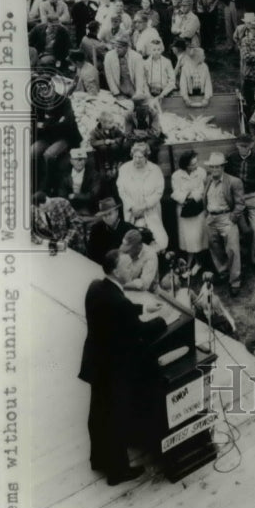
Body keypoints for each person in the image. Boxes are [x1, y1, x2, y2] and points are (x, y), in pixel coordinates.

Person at [77, 249, 168, 485]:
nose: (132, 269)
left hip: (96, 363)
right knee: (116, 417)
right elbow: (140, 330)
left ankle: (98, 459)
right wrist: (163, 319)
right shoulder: (119, 303)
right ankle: (117, 472)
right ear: (117, 271)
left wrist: (142, 309)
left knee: (97, 414)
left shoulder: (96, 287)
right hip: (114, 369)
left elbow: (117, 310)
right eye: (128, 266)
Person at [203, 152, 245, 297]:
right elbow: (205, 199)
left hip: (226, 217)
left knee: (232, 249)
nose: (214, 170)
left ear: (223, 167)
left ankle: (235, 281)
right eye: (212, 167)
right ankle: (223, 272)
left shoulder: (234, 181)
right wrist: (207, 215)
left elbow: (240, 203)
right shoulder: (207, 180)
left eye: (217, 167)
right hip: (211, 219)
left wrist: (232, 218)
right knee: (214, 247)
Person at [226, 133, 255, 269]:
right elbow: (226, 179)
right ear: (236, 145)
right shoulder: (231, 158)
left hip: (253, 197)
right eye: (240, 146)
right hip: (236, 199)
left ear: (251, 145)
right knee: (235, 230)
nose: (243, 149)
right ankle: (240, 259)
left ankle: (254, 259)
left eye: (246, 146)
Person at [116, 142, 168, 251]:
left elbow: (159, 191)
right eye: (135, 156)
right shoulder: (124, 169)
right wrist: (132, 207)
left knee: (158, 241)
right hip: (132, 211)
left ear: (146, 157)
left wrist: (144, 206)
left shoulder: (155, 170)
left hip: (151, 210)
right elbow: (121, 190)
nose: (137, 160)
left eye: (140, 157)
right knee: (133, 241)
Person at [170, 149, 209, 267]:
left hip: (198, 209)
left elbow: (203, 190)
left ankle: (199, 262)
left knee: (198, 237)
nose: (196, 165)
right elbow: (176, 193)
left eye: (196, 162)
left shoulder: (201, 172)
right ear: (185, 165)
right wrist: (188, 195)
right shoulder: (176, 176)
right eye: (192, 164)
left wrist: (191, 195)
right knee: (188, 238)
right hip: (184, 210)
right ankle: (191, 261)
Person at [86, 197, 136, 264]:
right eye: (104, 215)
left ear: (117, 212)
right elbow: (91, 253)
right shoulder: (96, 229)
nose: (107, 217)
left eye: (110, 214)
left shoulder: (129, 229)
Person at [54, 146, 101, 214]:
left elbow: (94, 194)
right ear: (71, 161)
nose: (79, 162)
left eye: (82, 159)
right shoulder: (64, 175)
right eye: (76, 159)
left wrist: (76, 196)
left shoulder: (94, 175)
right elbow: (61, 194)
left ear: (86, 160)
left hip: (88, 206)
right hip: (69, 206)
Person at [104, 35, 148, 100]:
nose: (116, 49)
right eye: (116, 47)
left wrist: (138, 93)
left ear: (126, 48)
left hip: (133, 87)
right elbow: (109, 76)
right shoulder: (109, 56)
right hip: (119, 89)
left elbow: (140, 76)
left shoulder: (137, 57)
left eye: (120, 47)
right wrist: (116, 93)